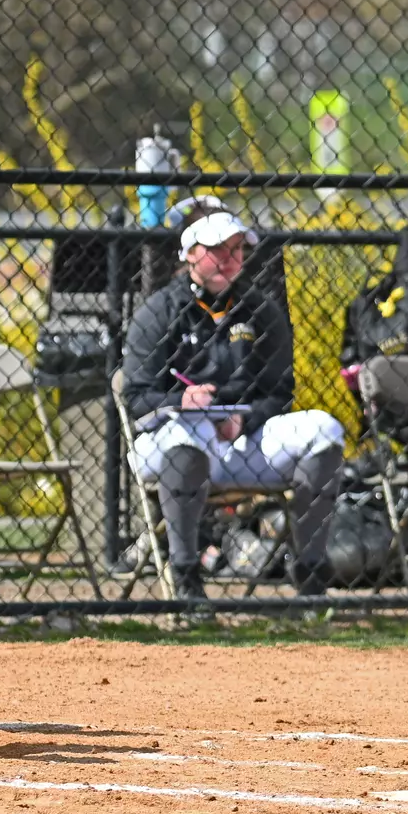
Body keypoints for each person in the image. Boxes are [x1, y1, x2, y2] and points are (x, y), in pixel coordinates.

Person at [122, 206, 345, 598]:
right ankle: (186, 575)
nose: (230, 259)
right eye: (217, 250)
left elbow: (279, 392)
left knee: (324, 429)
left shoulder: (260, 309)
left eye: (238, 249)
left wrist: (248, 419)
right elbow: (136, 397)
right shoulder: (159, 311)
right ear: (190, 254)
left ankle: (310, 573)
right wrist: (182, 399)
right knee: (186, 439)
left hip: (242, 440)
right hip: (172, 439)